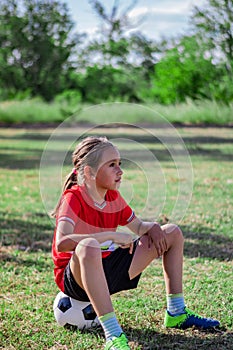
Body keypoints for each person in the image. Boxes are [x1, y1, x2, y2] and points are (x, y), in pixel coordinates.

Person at [51, 136, 220, 350]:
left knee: (173, 233)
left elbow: (138, 227)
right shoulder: (73, 198)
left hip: (107, 271)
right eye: (112, 165)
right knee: (89, 247)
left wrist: (153, 227)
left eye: (119, 163)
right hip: (75, 278)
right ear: (89, 172)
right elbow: (62, 243)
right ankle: (113, 335)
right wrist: (110, 236)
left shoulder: (113, 198)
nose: (120, 170)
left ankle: (177, 312)